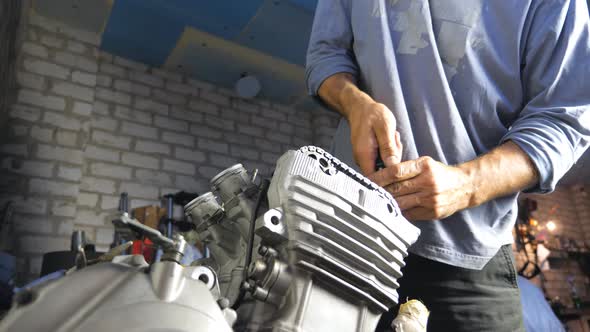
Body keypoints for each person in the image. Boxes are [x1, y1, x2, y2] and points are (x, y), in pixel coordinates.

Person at [305, 0, 590, 331]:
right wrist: (355, 104)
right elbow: (325, 56)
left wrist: (467, 184)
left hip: (469, 259)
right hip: (348, 236)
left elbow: (565, 117)